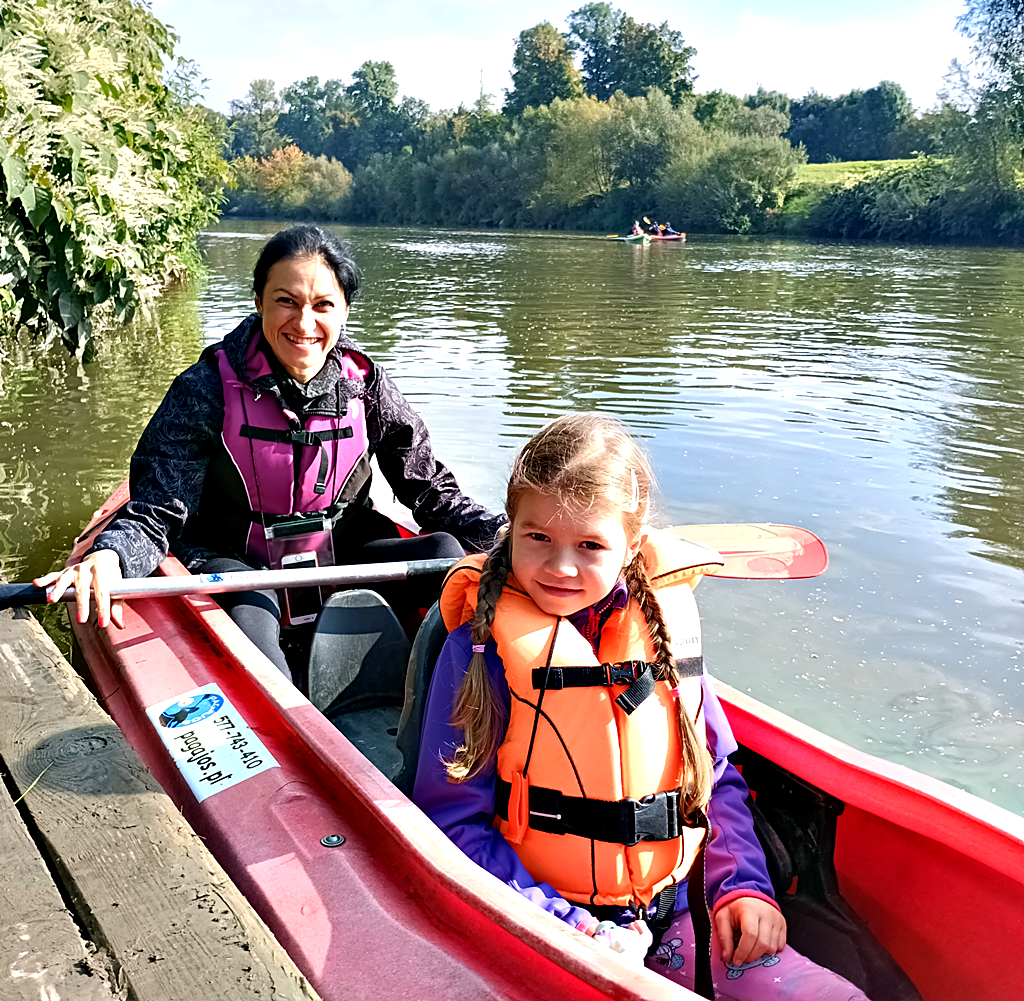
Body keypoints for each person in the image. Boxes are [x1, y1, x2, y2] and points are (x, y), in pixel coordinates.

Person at [413, 414, 869, 1000]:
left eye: (590, 545)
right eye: (538, 538)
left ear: (632, 545)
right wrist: (569, 924)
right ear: (511, 529)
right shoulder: (478, 651)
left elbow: (715, 780)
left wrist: (742, 888)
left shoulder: (664, 631)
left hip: (680, 912)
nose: (560, 566)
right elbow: (451, 824)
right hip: (546, 920)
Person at [37, 224, 505, 677]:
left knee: (446, 553)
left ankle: (450, 702)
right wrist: (112, 555)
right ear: (259, 300)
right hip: (235, 557)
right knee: (253, 611)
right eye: (286, 302)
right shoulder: (206, 387)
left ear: (344, 310)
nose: (304, 323)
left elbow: (430, 491)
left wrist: (506, 536)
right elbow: (157, 508)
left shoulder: (366, 385)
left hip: (338, 545)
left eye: (323, 305)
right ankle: (289, 727)